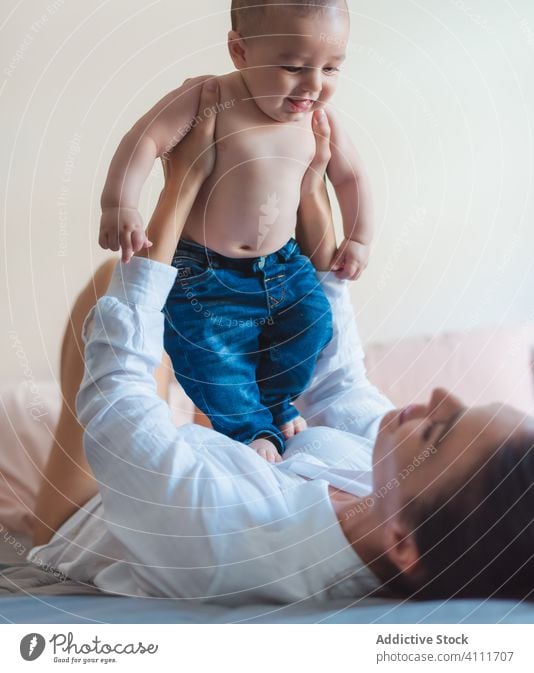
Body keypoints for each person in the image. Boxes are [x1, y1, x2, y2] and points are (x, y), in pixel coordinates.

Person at [31, 80, 534, 604]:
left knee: (115, 284)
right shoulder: (395, 488)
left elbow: (117, 396)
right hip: (245, 460)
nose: (436, 398)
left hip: (99, 514)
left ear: (403, 545)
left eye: (436, 431)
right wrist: (314, 193)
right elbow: (339, 385)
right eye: (462, 407)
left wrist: (180, 186)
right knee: (244, 349)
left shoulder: (229, 538)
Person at [97, 0, 374, 461]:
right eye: (293, 67)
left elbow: (351, 176)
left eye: (331, 68)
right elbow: (145, 141)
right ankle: (247, 429)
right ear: (240, 50)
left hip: (284, 265)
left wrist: (357, 237)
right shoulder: (208, 99)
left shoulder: (318, 121)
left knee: (313, 324)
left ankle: (275, 404)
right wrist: (119, 204)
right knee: (210, 355)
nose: (313, 85)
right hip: (205, 274)